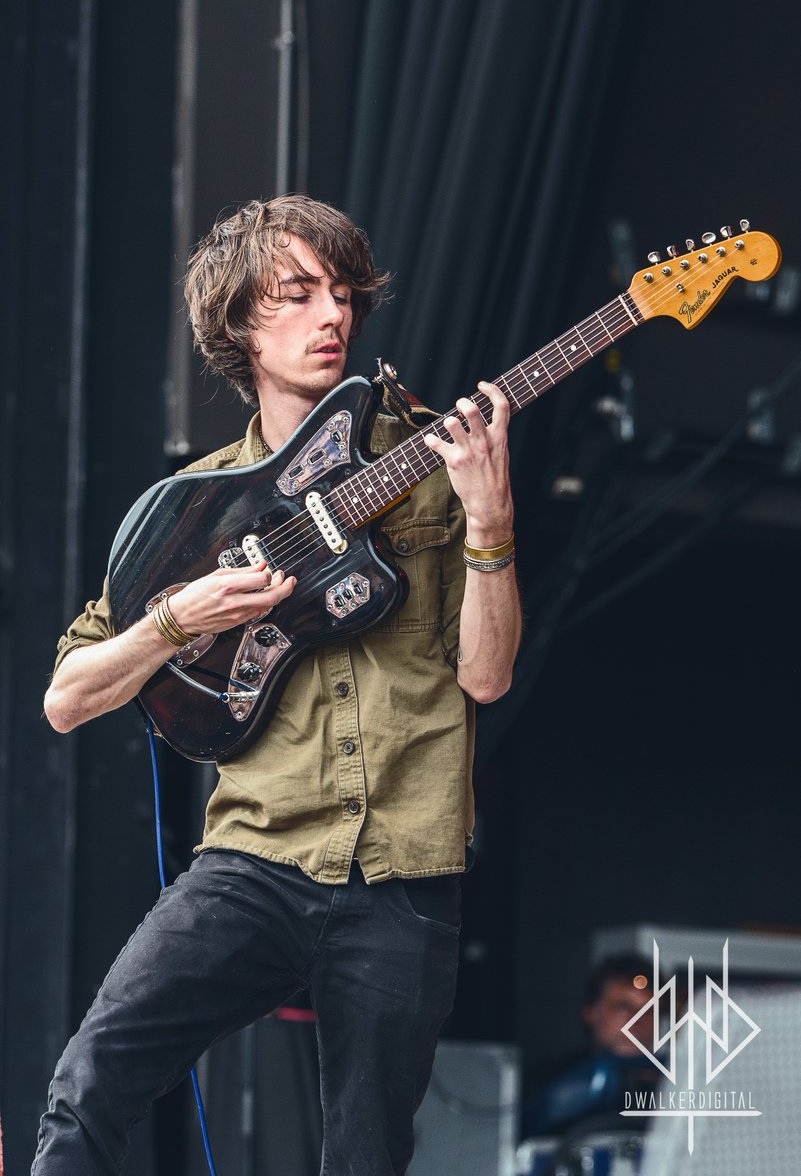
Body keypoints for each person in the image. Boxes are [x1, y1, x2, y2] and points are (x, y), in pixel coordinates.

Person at [33, 194, 522, 1175]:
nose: (332, 315)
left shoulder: (431, 469)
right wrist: (182, 618)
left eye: (343, 294)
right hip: (257, 854)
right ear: (238, 326)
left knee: (365, 1156)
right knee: (89, 1083)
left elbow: (487, 674)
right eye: (297, 296)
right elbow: (67, 697)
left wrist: (491, 520)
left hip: (404, 868)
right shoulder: (194, 508)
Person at [522, 953, 662, 1139]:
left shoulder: (679, 1086)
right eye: (623, 1007)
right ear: (591, 1012)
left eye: (650, 1010)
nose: (637, 1020)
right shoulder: (549, 1082)